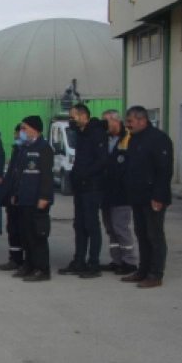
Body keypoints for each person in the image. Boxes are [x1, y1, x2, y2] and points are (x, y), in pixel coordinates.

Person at [120, 106, 173, 288]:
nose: (127, 125)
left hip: (153, 197)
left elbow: (164, 171)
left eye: (130, 121)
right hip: (138, 196)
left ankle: (155, 274)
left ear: (142, 120)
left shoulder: (158, 139)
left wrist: (158, 196)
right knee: (141, 234)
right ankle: (143, 270)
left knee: (154, 235)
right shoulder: (134, 139)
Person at [58, 104, 109, 278]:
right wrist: (75, 177)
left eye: (73, 117)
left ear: (84, 116)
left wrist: (85, 175)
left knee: (91, 224)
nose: (70, 120)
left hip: (92, 187)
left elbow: (102, 161)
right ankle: (78, 260)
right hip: (80, 186)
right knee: (79, 225)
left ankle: (93, 264)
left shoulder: (97, 133)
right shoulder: (81, 134)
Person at [6, 116, 54, 282]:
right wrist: (14, 194)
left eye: (25, 128)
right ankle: (29, 265)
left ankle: (42, 269)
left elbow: (47, 176)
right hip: (23, 199)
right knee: (25, 235)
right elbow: (18, 175)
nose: (22, 132)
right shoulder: (24, 148)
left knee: (37, 236)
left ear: (35, 129)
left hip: (36, 200)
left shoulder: (43, 148)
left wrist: (44, 197)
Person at [100, 110, 138, 276]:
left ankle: (129, 261)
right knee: (110, 229)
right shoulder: (106, 140)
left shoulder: (128, 139)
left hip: (122, 193)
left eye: (106, 122)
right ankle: (116, 260)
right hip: (106, 192)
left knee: (120, 227)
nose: (104, 125)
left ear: (116, 122)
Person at [0, 125, 27, 273]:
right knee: (12, 229)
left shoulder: (33, 150)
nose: (17, 135)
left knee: (24, 229)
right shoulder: (17, 149)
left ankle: (26, 261)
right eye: (17, 132)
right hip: (12, 195)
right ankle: (14, 258)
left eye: (20, 132)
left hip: (23, 197)